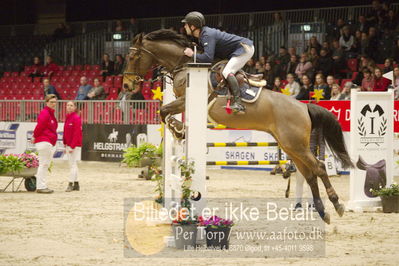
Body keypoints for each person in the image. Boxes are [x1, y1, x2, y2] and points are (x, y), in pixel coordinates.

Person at [181, 11, 254, 114]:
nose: (184, 26)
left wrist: (192, 54)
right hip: (237, 50)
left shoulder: (206, 35)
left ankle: (238, 103)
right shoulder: (202, 36)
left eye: (186, 24)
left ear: (192, 27)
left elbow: (207, 58)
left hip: (244, 48)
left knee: (227, 71)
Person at [32, 94, 58, 194]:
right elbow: (40, 126)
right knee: (43, 164)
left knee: (44, 164)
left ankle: (41, 185)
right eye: (51, 102)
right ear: (46, 102)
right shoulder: (45, 113)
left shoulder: (50, 113)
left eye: (55, 102)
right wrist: (34, 136)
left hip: (48, 141)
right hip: (44, 141)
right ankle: (41, 186)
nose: (53, 104)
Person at [295, 127, 325, 210]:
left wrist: (322, 158)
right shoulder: (298, 123)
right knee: (299, 181)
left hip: (312, 158)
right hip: (299, 157)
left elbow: (321, 143)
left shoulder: (318, 125)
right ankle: (298, 203)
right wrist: (290, 159)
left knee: (312, 182)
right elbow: (292, 141)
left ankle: (311, 204)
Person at [63, 101, 82, 192]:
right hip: (68, 144)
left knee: (72, 164)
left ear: (74, 107)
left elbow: (77, 133)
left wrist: (72, 146)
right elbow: (65, 131)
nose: (69, 107)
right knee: (73, 164)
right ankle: (77, 184)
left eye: (71, 105)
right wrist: (65, 143)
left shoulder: (76, 118)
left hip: (75, 145)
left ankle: (70, 183)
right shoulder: (67, 117)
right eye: (68, 105)